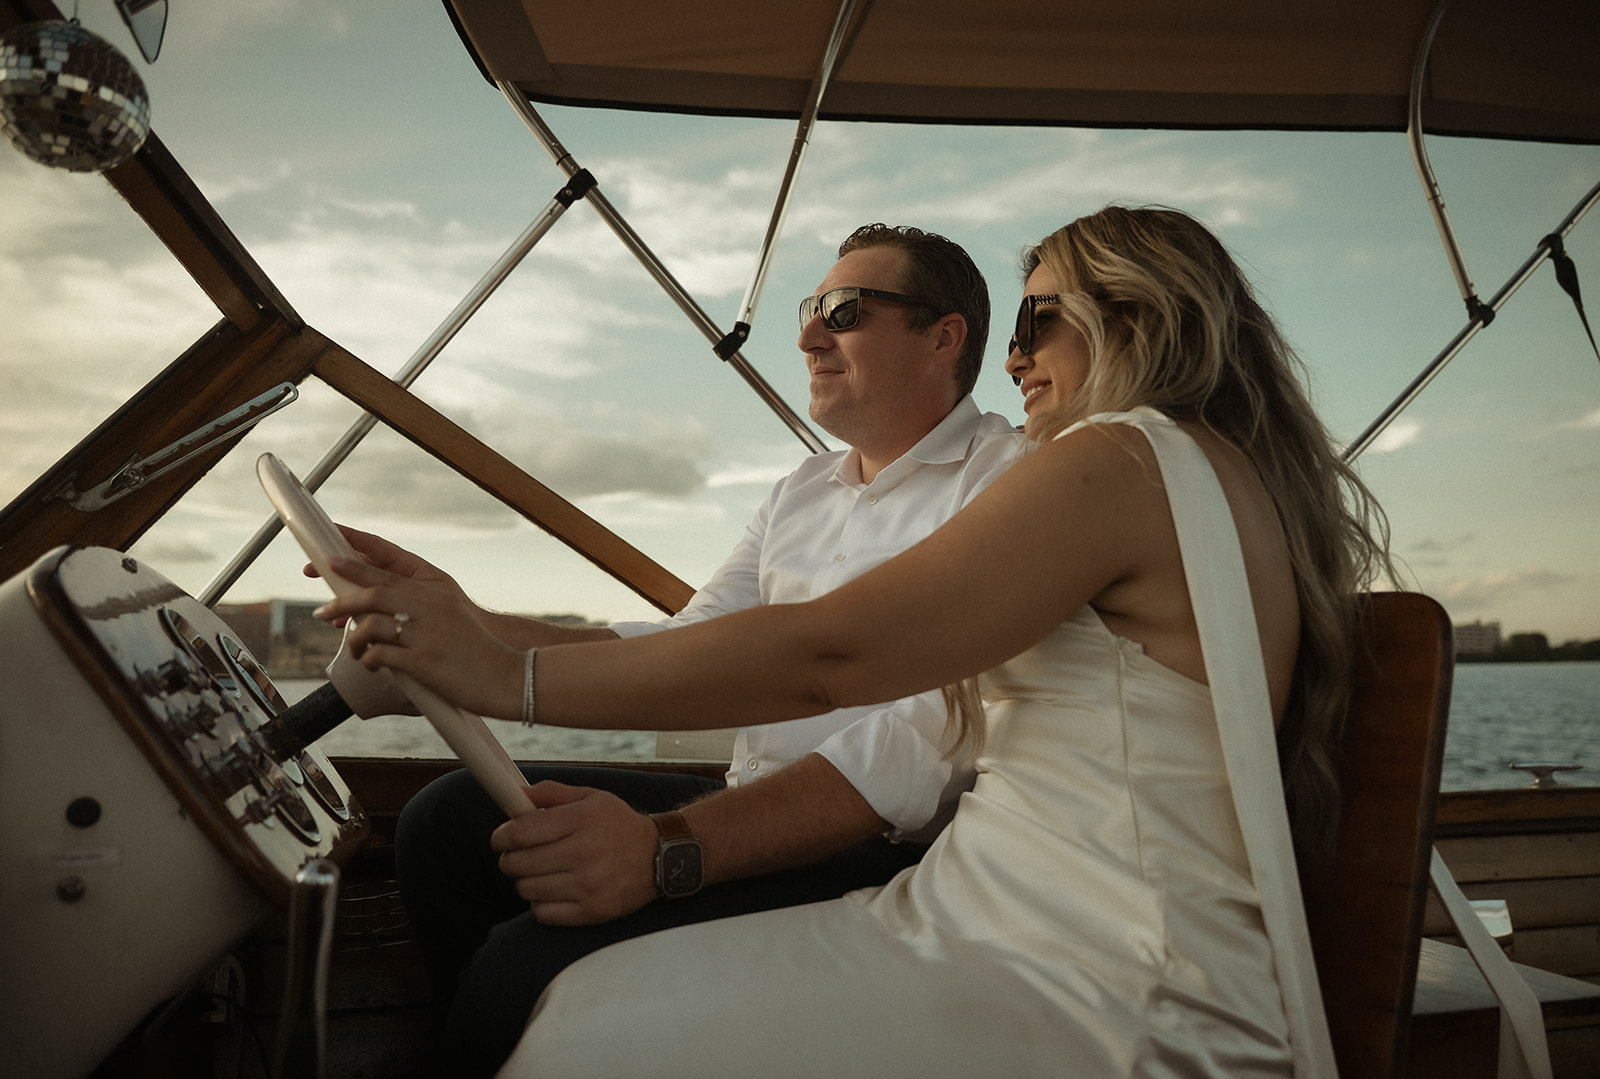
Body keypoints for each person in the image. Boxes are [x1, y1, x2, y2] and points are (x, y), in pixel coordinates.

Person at [321, 205, 1393, 1077]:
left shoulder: (1107, 460)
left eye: (1037, 320)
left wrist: (508, 678)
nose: (1013, 354)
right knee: (461, 843)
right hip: (1030, 914)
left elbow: (833, 659)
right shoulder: (1186, 470)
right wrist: (452, 630)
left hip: (1095, 969)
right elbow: (716, 640)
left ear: (1136, 315)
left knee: (555, 999)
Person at [346, 224, 1024, 1075]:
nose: (810, 333)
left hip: (886, 850)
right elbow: (691, 645)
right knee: (445, 821)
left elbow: (924, 747)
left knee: (518, 966)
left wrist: (668, 842)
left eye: (844, 310)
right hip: (756, 793)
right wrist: (471, 621)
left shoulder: (1004, 482)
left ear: (943, 336)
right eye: (811, 309)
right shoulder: (803, 488)